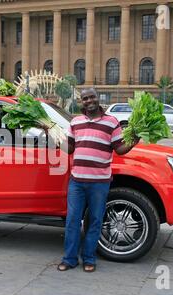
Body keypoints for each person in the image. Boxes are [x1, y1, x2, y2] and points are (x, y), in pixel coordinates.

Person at [57, 88, 140, 273]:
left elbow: (119, 149)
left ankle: (89, 259)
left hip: (100, 182)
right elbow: (69, 148)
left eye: (91, 97)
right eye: (85, 98)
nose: (89, 101)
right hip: (77, 181)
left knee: (95, 221)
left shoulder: (111, 122)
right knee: (72, 221)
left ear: (98, 98)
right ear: (82, 102)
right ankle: (69, 259)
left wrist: (135, 139)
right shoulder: (75, 121)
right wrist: (51, 135)